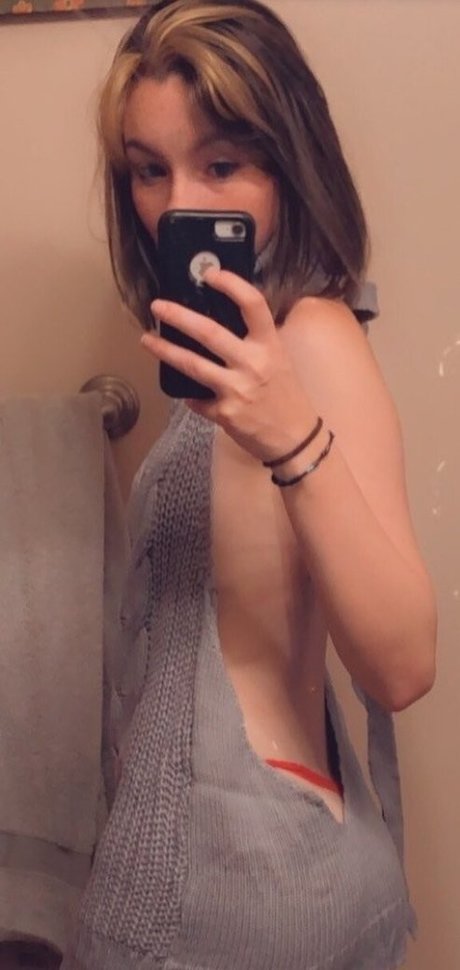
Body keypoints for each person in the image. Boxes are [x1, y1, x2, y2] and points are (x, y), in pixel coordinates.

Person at [62, 1, 437, 967]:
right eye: (149, 170)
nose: (176, 203)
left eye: (222, 166)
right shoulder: (230, 358)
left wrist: (290, 435)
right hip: (205, 866)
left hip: (255, 875)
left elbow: (403, 664)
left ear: (286, 167)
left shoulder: (313, 339)